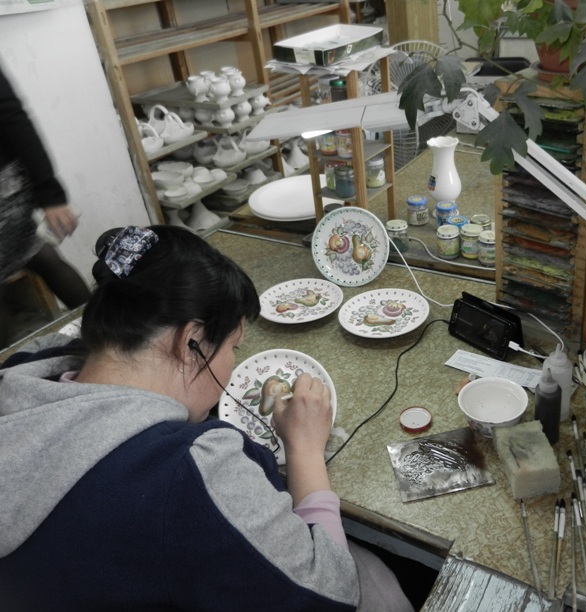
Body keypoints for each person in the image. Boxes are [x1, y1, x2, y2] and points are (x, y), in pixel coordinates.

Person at [0, 225, 413, 611]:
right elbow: (330, 591)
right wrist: (304, 450)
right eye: (233, 346)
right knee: (372, 576)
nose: (232, 364)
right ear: (191, 340)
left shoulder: (22, 370)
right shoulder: (188, 471)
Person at [0, 63, 90, 346]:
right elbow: (12, 114)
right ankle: (107, 334)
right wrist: (49, 194)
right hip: (8, 184)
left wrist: (50, 194)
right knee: (42, 256)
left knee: (41, 257)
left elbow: (12, 116)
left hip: (5, 186)